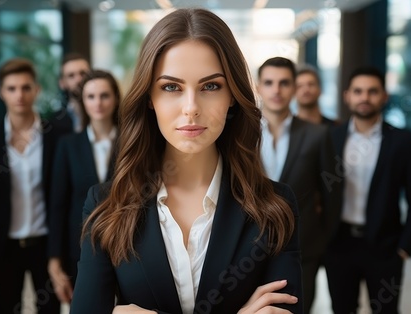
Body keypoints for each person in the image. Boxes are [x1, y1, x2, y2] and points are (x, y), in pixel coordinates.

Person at [71, 8, 303, 314]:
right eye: (171, 87)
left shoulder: (275, 206)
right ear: (149, 98)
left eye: (210, 86)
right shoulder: (105, 206)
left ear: (232, 94)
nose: (191, 108)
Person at [324, 66, 411, 314]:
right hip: (339, 245)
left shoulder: (401, 140)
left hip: (385, 247)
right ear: (347, 96)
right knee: (342, 310)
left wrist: (404, 248)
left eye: (372, 91)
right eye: (358, 91)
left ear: (384, 97)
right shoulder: (331, 137)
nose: (364, 98)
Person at [0, 58, 63, 313]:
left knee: (50, 310)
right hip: (3, 247)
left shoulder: (56, 137)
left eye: (25, 87)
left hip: (46, 245)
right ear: (2, 92)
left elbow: (62, 196)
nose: (19, 95)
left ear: (36, 90)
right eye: (11, 88)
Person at [256, 57, 341, 314]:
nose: (276, 90)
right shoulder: (241, 133)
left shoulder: (317, 134)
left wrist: (321, 239)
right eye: (269, 83)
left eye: (284, 83)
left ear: (294, 88)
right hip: (249, 248)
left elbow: (332, 194)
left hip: (304, 247)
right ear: (258, 87)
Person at [47, 69, 120, 303]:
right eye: (90, 96)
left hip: (125, 241)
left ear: (116, 98)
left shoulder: (131, 142)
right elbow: (58, 203)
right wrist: (54, 258)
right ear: (83, 101)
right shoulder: (68, 145)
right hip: (78, 245)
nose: (97, 103)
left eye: (104, 95)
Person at [52, 52, 91, 133]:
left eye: (83, 73)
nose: (78, 80)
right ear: (62, 83)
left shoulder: (108, 114)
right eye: (71, 75)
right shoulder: (54, 123)